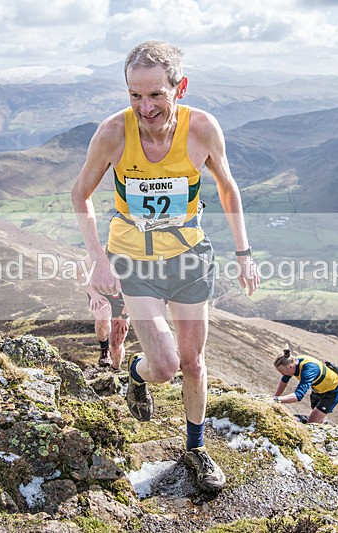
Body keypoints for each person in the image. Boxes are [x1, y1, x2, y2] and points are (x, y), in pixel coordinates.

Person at [71, 40, 259, 492]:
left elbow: (229, 188)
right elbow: (80, 195)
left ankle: (195, 451)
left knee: (193, 362)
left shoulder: (202, 130)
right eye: (135, 95)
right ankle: (137, 373)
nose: (145, 106)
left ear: (181, 86)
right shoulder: (113, 133)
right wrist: (99, 262)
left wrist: (243, 253)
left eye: (156, 94)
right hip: (134, 260)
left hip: (189, 257)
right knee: (166, 364)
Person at [80, 255, 130, 369]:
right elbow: (79, 272)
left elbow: (138, 291)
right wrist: (93, 294)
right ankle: (104, 350)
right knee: (102, 319)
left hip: (124, 301)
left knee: (116, 344)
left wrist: (124, 314)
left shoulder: (132, 257)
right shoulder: (99, 253)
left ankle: (115, 368)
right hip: (100, 295)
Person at [273, 348, 338, 424]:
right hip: (317, 390)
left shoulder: (309, 370)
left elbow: (298, 396)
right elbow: (284, 381)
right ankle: (322, 422)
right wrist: (274, 397)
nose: (283, 375)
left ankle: (317, 423)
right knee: (316, 420)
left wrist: (276, 400)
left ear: (290, 367)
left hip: (332, 392)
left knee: (311, 423)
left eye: (283, 372)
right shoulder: (292, 363)